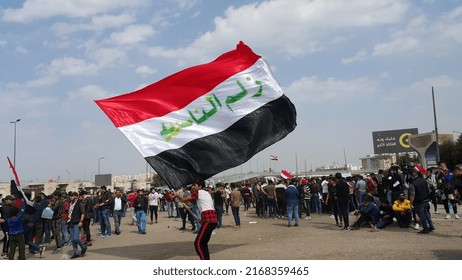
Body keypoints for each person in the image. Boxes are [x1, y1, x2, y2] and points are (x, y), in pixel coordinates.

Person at [174, 179, 218, 260]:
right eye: (192, 185)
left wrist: (177, 195)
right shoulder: (206, 193)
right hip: (211, 218)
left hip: (209, 219)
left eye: (195, 185)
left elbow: (183, 200)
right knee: (203, 243)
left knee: (198, 243)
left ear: (200, 186)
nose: (193, 187)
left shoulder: (199, 192)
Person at [409, 169, 435, 234]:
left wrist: (411, 203)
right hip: (426, 199)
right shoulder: (424, 180)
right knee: (426, 213)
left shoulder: (412, 183)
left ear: (411, 176)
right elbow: (429, 190)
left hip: (419, 201)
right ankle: (431, 226)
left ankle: (425, 228)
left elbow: (412, 195)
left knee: (422, 215)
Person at [67, 192, 87, 259]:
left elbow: (83, 213)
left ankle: (83, 247)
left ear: (75, 196)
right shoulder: (70, 204)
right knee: (72, 239)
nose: (70, 197)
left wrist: (81, 221)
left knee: (76, 238)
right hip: (70, 222)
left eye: (72, 196)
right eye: (70, 196)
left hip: (77, 222)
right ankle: (76, 252)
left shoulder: (79, 203)